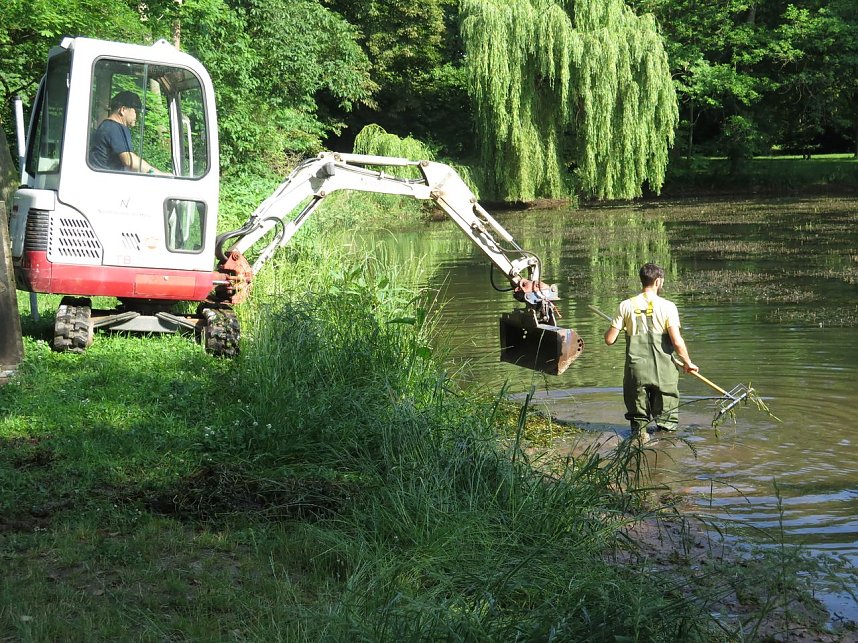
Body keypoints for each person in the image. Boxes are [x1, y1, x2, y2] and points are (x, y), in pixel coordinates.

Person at [603, 263, 698, 440]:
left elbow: (609, 340)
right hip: (664, 372)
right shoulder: (668, 306)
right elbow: (677, 342)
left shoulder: (625, 306)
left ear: (642, 280)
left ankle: (640, 450)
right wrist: (687, 362)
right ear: (658, 281)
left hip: (636, 372)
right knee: (667, 424)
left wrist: (614, 327)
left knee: (638, 425)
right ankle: (664, 455)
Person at [88, 90, 165, 175]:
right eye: (136, 111)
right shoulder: (115, 128)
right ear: (123, 110)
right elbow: (129, 161)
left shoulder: (106, 126)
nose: (138, 116)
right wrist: (160, 174)